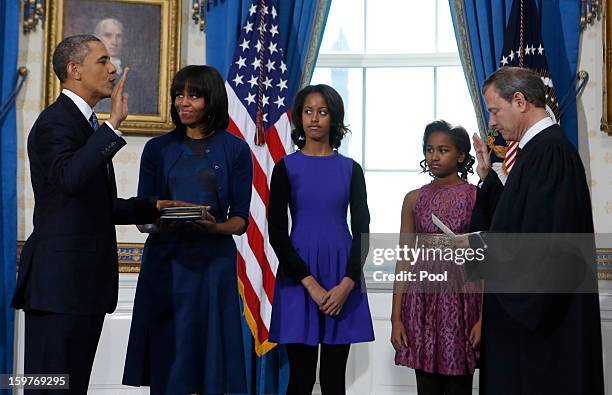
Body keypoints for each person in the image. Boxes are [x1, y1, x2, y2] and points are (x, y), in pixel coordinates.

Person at [11, 34, 182, 394]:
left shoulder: (85, 124)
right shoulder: (55, 122)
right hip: (58, 288)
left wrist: (152, 206)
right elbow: (70, 179)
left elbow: (90, 206)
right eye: (103, 60)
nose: (113, 68)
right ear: (74, 70)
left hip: (81, 288)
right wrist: (113, 126)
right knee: (49, 388)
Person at [468, 67, 604, 394]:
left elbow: (544, 246)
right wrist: (489, 179)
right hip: (531, 332)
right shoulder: (540, 152)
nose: (492, 122)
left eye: (494, 110)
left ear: (520, 101)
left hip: (540, 338)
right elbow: (521, 221)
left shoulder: (550, 153)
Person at [122, 65, 252, 394]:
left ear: (212, 100)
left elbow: (240, 219)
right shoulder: (157, 148)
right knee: (170, 361)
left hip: (214, 265)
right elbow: (142, 217)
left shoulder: (235, 150)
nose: (184, 102)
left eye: (193, 95)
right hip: (166, 264)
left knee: (213, 361)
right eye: (179, 94)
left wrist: (215, 227)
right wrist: (160, 215)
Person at [268, 84, 374, 394]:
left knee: (333, 382)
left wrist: (347, 284)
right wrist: (311, 285)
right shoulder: (285, 167)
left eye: (323, 112)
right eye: (308, 111)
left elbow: (363, 231)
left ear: (334, 120)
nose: (315, 118)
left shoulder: (351, 169)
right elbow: (276, 233)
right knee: (299, 379)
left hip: (342, 275)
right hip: (298, 277)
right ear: (299, 118)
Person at [390, 120, 481, 395]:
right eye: (429, 150)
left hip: (462, 301)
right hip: (421, 302)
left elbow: (486, 260)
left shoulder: (475, 196)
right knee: (426, 385)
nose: (434, 156)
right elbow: (404, 258)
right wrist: (396, 317)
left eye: (443, 150)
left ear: (461, 155)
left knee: (458, 385)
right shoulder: (413, 199)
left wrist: (483, 318)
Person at [93, 18, 157, 114]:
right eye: (108, 35)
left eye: (119, 36)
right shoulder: (89, 73)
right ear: (96, 39)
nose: (114, 42)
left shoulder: (134, 78)